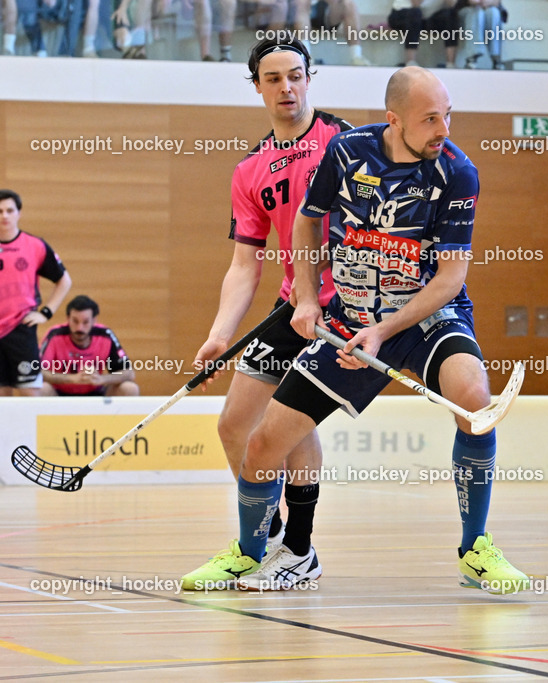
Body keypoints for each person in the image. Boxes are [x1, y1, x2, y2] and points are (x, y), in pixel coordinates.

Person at [183, 66, 529, 594]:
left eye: (448, 115)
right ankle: (252, 555)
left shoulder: (458, 173)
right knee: (261, 447)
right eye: (431, 118)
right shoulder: (346, 152)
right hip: (348, 320)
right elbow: (306, 220)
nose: (444, 129)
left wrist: (385, 330)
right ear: (395, 120)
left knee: (474, 402)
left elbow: (451, 276)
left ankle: (476, 548)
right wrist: (304, 295)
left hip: (428, 316)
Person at [186, 38, 352, 591]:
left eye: (296, 75)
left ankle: (299, 551)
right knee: (234, 425)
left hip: (344, 308)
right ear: (257, 86)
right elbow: (244, 264)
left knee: (289, 423)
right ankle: (268, 539)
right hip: (291, 304)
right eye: (274, 78)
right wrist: (218, 334)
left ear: (310, 78)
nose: (287, 87)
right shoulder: (250, 169)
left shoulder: (346, 142)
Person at [0, 189, 73, 397]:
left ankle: (29, 432)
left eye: (9, 210)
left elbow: (64, 280)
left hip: (21, 329)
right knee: (1, 395)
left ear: (18, 213)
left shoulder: (35, 246)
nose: (4, 215)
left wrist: (46, 312)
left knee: (30, 392)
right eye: (0, 211)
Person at [39, 295, 140, 397]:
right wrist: (72, 379)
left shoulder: (105, 335)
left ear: (94, 320)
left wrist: (102, 379)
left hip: (96, 393)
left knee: (129, 388)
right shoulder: (55, 335)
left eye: (85, 322)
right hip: (60, 394)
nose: (80, 328)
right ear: (68, 318)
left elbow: (128, 373)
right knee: (41, 388)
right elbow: (37, 371)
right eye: (75, 321)